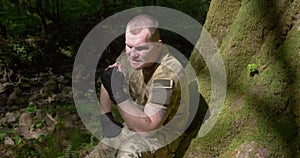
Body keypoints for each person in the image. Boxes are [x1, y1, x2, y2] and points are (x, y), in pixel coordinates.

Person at [86, 14, 190, 158]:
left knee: (127, 154)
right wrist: (107, 118)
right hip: (133, 126)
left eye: (141, 48)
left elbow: (148, 129)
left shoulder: (167, 74)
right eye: (129, 46)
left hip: (162, 135)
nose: (133, 54)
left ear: (158, 45)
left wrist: (119, 95)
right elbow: (109, 78)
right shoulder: (132, 56)